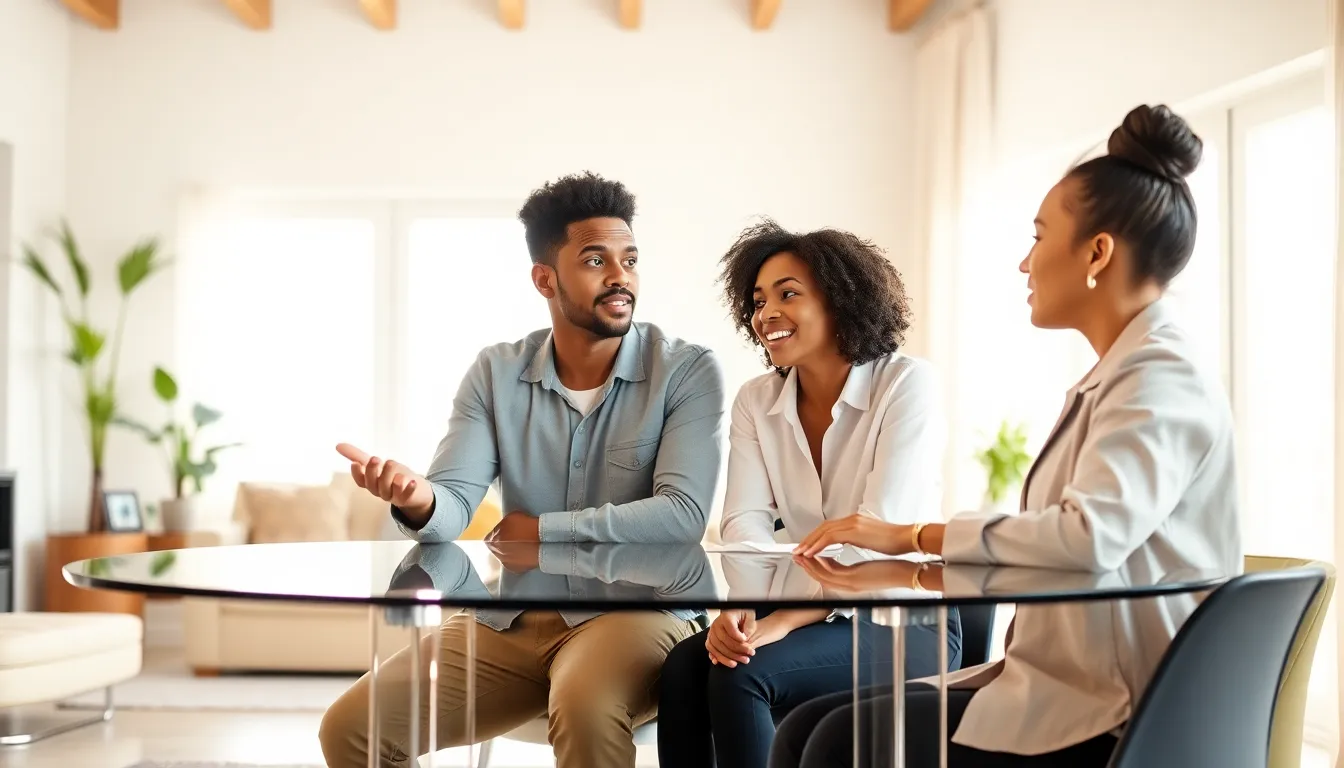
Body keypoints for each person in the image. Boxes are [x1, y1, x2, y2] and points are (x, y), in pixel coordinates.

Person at [778, 104, 1242, 767]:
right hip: (1070, 681)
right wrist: (913, 573)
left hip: (1121, 711)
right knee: (809, 728)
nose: (1025, 263)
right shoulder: (1122, 372)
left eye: (1038, 235)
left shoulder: (1160, 375)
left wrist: (911, 539)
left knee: (832, 743)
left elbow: (1085, 540)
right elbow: (1066, 554)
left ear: (1097, 252)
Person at [317, 172, 727, 768]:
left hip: (640, 616)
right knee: (353, 728)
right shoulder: (496, 372)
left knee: (585, 705)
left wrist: (544, 530)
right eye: (595, 260)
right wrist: (416, 498)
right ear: (545, 278)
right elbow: (453, 502)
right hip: (512, 622)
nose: (621, 277)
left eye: (630, 259)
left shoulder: (686, 371)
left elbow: (682, 516)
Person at [657, 220, 962, 768]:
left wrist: (783, 620)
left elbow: (878, 534)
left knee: (742, 677)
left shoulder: (906, 383)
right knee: (683, 668)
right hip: (797, 613)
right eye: (757, 301)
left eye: (788, 294)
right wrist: (747, 614)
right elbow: (744, 525)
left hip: (897, 620)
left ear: (841, 301)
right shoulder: (757, 400)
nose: (766, 313)